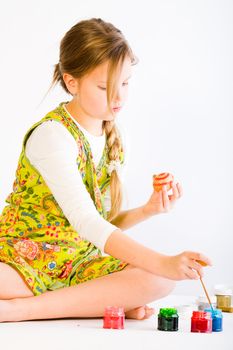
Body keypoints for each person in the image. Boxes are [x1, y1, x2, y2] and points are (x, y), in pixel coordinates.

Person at [0, 18, 211, 323]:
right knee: (159, 269)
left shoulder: (109, 134)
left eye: (125, 83)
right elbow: (87, 223)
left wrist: (147, 210)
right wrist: (163, 261)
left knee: (161, 280)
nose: (119, 97)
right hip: (24, 258)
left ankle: (31, 306)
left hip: (77, 262)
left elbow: (100, 225)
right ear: (72, 82)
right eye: (105, 87)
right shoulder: (53, 136)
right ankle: (31, 308)